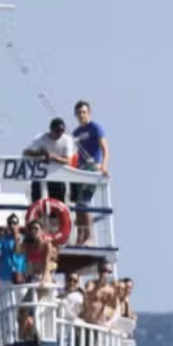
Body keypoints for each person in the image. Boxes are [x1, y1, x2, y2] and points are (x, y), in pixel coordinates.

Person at [70, 100, 109, 245]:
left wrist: (103, 166)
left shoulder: (95, 128)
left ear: (89, 113)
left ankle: (89, 237)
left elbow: (105, 148)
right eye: (79, 113)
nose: (81, 115)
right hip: (79, 169)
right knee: (77, 205)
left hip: (91, 167)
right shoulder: (75, 133)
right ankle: (80, 236)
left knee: (84, 202)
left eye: (84, 112)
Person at [23, 117, 74, 201]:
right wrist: (41, 153)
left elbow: (68, 160)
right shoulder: (41, 139)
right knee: (37, 194)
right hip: (40, 173)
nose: (59, 134)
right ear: (51, 130)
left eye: (61, 131)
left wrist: (53, 157)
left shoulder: (67, 140)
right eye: (57, 131)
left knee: (58, 198)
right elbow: (26, 152)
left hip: (57, 175)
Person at [0, 214, 27, 281]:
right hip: (5, 275)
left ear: (18, 225)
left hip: (20, 274)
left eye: (15, 223)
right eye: (10, 223)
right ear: (7, 225)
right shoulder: (3, 239)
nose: (12, 225)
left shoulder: (24, 239)